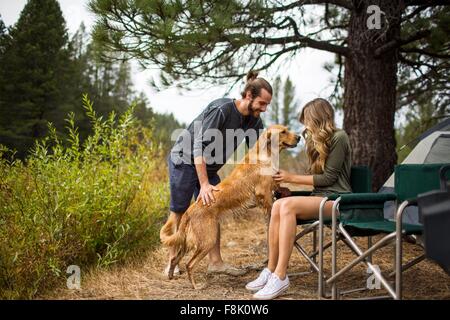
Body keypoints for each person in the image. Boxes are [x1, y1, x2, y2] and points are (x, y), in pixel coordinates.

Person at [164, 71, 272, 277]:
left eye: (267, 104)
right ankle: (172, 262)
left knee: (213, 207)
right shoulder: (222, 110)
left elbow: (259, 153)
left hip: (209, 166)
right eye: (262, 103)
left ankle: (216, 262)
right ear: (249, 95)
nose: (264, 109)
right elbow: (198, 147)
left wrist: (271, 179)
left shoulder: (255, 122)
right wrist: (204, 184)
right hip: (186, 159)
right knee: (179, 209)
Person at [245, 98, 352, 299]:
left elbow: (329, 178)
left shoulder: (340, 137)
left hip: (339, 200)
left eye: (307, 121)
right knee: (278, 204)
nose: (305, 126)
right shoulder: (317, 140)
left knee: (287, 208)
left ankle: (281, 275)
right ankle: (270, 270)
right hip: (320, 198)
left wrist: (291, 177)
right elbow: (316, 178)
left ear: (318, 118)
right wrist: (287, 189)